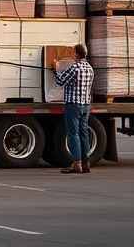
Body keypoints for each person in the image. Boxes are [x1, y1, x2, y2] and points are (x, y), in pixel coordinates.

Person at [53, 43, 94, 174]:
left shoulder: (75, 68)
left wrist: (55, 68)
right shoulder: (89, 68)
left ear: (77, 54)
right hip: (86, 105)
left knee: (73, 134)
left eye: (73, 52)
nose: (71, 54)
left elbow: (60, 81)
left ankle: (77, 163)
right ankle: (86, 163)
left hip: (73, 105)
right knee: (84, 133)